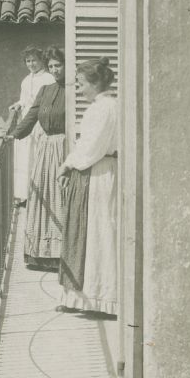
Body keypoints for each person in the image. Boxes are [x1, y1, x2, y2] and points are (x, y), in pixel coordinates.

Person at [59, 55, 119, 317]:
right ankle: (82, 297)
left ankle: (99, 298)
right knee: (92, 233)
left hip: (98, 173)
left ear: (95, 84)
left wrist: (68, 164)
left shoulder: (103, 108)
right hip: (98, 170)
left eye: (81, 83)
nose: (79, 89)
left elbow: (90, 147)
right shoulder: (106, 106)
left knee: (97, 234)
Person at [10, 48, 68, 267]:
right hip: (45, 149)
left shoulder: (73, 92)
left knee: (59, 198)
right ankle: (39, 254)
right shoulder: (45, 90)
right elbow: (32, 116)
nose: (55, 70)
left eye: (58, 65)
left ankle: (59, 254)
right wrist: (13, 135)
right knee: (40, 198)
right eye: (51, 66)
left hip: (64, 147)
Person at [6, 46, 55, 201]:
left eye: (34, 60)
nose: (31, 64)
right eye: (28, 61)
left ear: (42, 61)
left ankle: (39, 194)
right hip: (26, 119)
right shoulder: (27, 80)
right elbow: (25, 98)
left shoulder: (48, 79)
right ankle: (24, 194)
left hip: (40, 120)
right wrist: (19, 104)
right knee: (25, 155)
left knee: (37, 154)